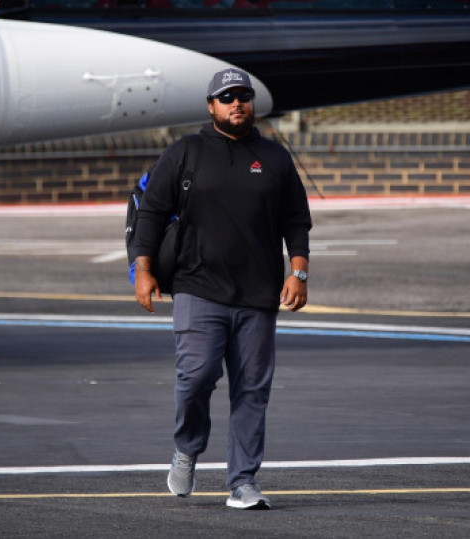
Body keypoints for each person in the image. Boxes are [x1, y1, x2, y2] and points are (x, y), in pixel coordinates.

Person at [133, 68, 311, 510]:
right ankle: (187, 448)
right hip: (197, 287)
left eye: (244, 96)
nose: (237, 104)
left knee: (252, 388)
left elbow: (296, 221)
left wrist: (299, 273)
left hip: (258, 294)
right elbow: (152, 213)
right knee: (196, 377)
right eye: (227, 97)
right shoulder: (186, 153)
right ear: (211, 106)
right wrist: (143, 269)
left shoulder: (274, 157)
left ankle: (243, 481)